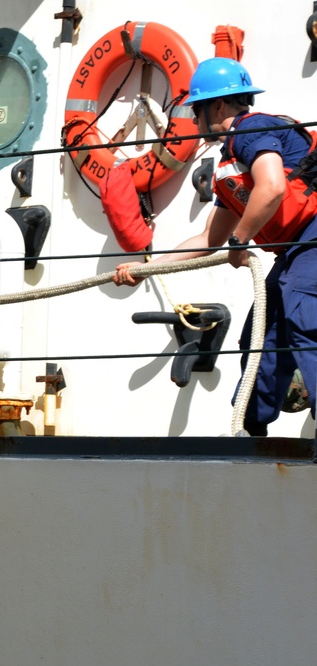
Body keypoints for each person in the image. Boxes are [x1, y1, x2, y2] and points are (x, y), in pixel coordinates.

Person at [113, 58, 317, 436]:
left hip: (312, 238)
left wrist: (240, 242)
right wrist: (147, 268)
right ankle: (251, 433)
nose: (195, 119)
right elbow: (209, 240)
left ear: (217, 106)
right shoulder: (231, 163)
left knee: (304, 314)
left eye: (196, 109)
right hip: (298, 246)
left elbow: (271, 188)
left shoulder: (251, 129)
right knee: (264, 334)